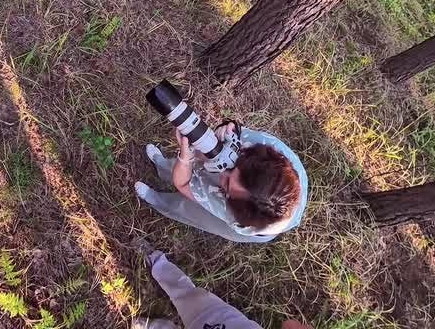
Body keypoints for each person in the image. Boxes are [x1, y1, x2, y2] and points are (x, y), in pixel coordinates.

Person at [134, 121, 307, 244]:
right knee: (192, 164)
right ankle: (162, 165)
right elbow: (230, 134)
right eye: (234, 167)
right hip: (244, 185)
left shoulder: (239, 218)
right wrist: (224, 130)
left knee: (191, 210)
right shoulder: (264, 148)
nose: (221, 175)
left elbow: (184, 184)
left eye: (228, 186)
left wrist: (185, 159)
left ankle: (156, 199)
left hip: (244, 216)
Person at [131, 243, 313, 329]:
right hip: (218, 320)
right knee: (188, 295)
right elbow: (290, 325)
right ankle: (156, 261)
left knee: (188, 295)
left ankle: (151, 326)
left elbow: (289, 324)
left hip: (218, 319)